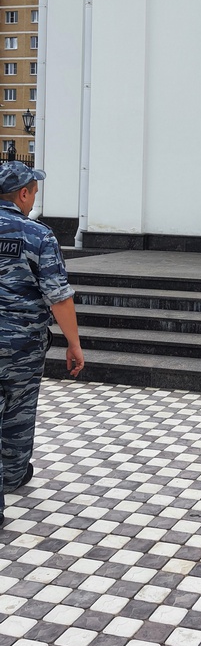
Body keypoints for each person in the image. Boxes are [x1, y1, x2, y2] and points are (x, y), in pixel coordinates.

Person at [0, 161, 84, 527]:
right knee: (18, 410)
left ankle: (13, 475)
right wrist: (74, 344)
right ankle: (11, 474)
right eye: (34, 192)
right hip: (21, 345)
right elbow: (59, 296)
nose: (34, 198)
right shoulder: (37, 235)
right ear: (22, 194)